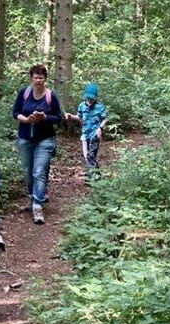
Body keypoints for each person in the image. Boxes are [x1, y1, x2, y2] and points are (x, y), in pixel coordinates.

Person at [12, 64, 62, 225]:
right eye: (35, 78)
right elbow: (15, 112)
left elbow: (58, 118)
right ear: (31, 79)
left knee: (39, 171)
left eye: (41, 78)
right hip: (25, 138)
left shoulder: (50, 96)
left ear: (45, 80)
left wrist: (44, 117)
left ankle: (37, 205)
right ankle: (32, 196)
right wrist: (26, 119)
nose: (38, 81)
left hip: (45, 140)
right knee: (28, 172)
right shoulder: (24, 93)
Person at [65, 83, 108, 179]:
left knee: (91, 155)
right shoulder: (81, 106)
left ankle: (90, 179)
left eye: (92, 98)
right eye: (88, 98)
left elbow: (105, 119)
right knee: (86, 156)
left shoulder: (100, 107)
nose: (90, 100)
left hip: (94, 135)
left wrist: (100, 128)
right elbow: (79, 117)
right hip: (85, 134)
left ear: (96, 97)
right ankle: (98, 176)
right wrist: (70, 116)